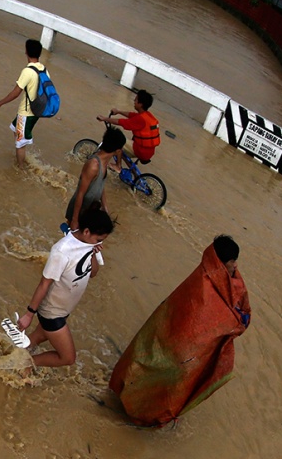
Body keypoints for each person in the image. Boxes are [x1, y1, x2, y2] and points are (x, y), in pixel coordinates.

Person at [109, 235, 251, 427]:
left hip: (181, 339)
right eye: (232, 262)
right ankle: (144, 413)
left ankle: (141, 408)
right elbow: (208, 315)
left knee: (160, 370)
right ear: (221, 263)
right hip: (181, 342)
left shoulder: (220, 279)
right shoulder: (204, 282)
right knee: (168, 375)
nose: (235, 266)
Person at [15, 208, 114, 369]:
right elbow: (44, 284)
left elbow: (93, 273)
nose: (100, 243)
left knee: (38, 337)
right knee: (67, 358)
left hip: (64, 309)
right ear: (87, 231)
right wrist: (28, 315)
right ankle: (26, 364)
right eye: (99, 239)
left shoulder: (91, 245)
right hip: (52, 312)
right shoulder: (62, 251)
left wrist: (94, 254)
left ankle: (13, 356)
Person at [0, 38, 46, 168]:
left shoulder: (27, 71)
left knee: (20, 144)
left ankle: (20, 168)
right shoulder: (43, 69)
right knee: (15, 130)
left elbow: (16, 93)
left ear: (26, 52)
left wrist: (0, 103)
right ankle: (22, 155)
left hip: (26, 113)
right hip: (36, 110)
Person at [64, 127, 126, 230]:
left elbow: (101, 186)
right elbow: (80, 193)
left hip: (90, 209)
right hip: (80, 211)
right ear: (118, 150)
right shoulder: (93, 165)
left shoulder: (105, 162)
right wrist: (75, 220)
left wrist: (105, 209)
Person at [96, 89, 160, 165]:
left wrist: (105, 119)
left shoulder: (140, 119)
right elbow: (131, 115)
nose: (134, 101)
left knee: (117, 140)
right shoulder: (147, 115)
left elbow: (122, 122)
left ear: (140, 104)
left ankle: (118, 166)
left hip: (140, 150)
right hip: (148, 151)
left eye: (136, 100)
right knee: (122, 145)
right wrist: (118, 111)